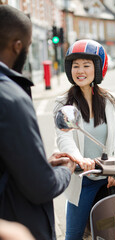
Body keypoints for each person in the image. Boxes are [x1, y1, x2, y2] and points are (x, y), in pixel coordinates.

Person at [0, 4, 76, 240]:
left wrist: (40, 163)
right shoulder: (10, 97)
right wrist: (65, 171)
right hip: (18, 225)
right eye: (30, 45)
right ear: (18, 45)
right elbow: (41, 187)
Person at [53, 39, 115, 240]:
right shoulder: (62, 103)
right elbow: (64, 138)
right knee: (73, 236)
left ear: (97, 68)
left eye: (86, 65)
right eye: (75, 65)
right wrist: (80, 160)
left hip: (110, 179)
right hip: (83, 180)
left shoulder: (112, 100)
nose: (80, 70)